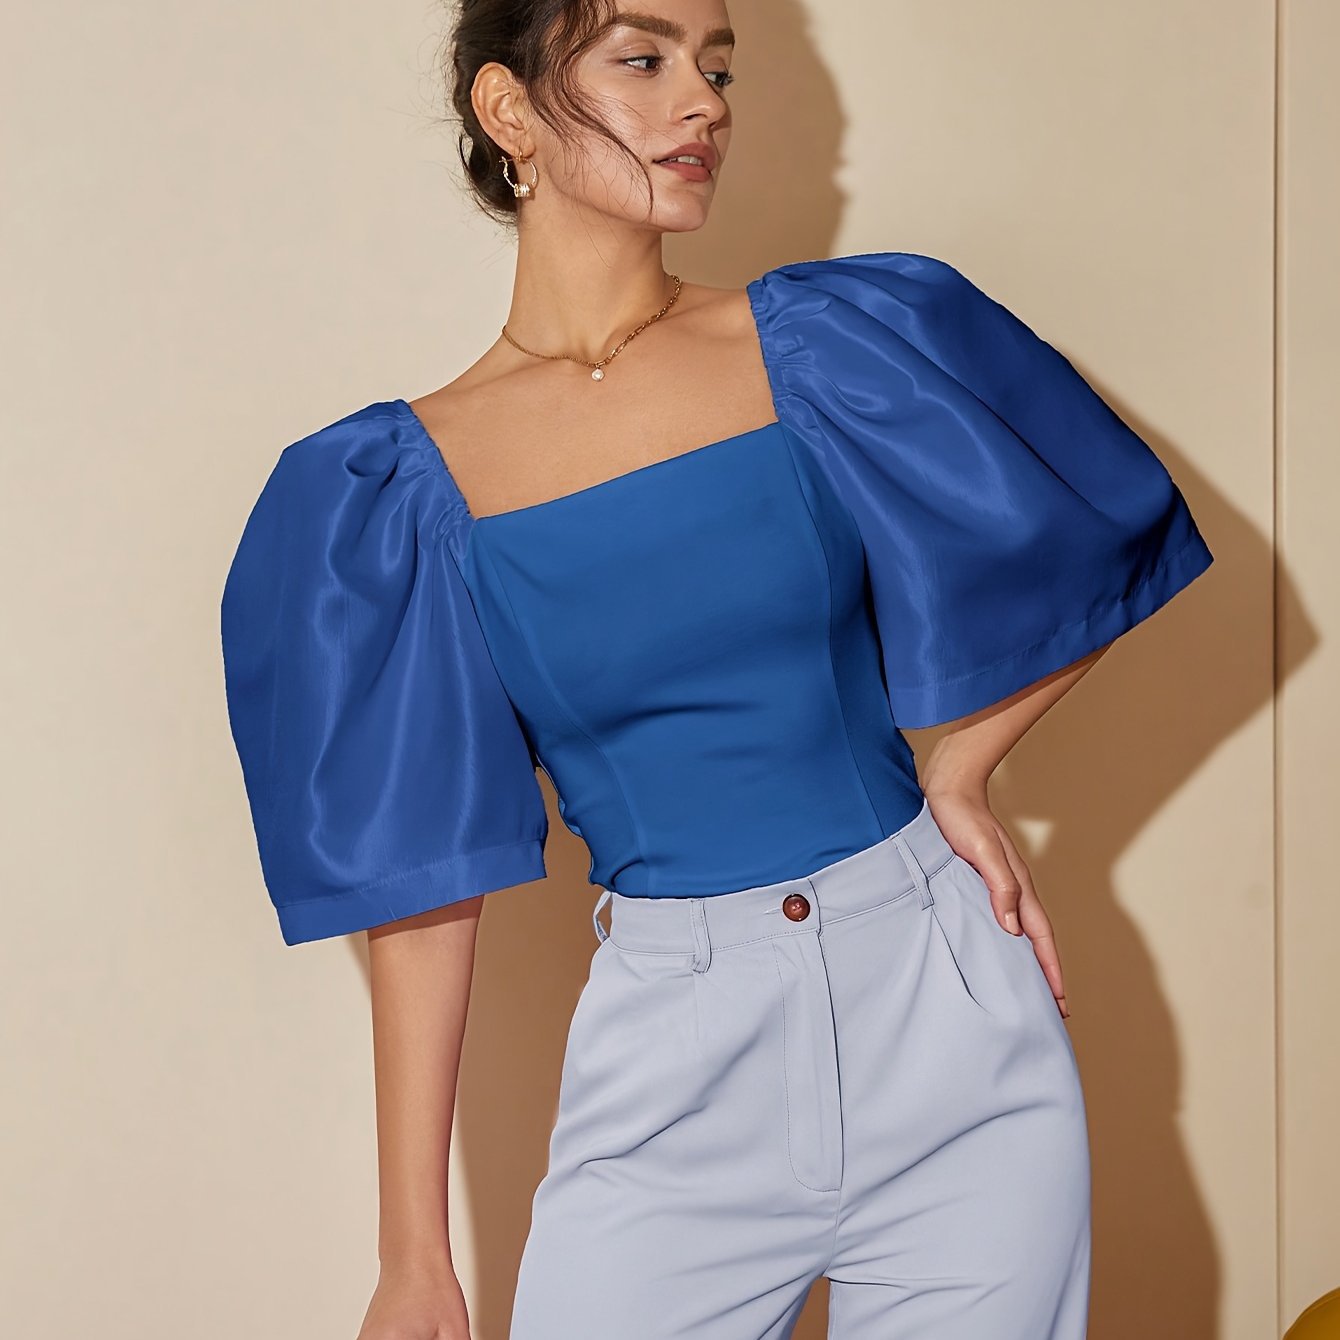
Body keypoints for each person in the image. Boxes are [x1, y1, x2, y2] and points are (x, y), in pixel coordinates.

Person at [219, 2, 1214, 1337]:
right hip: (675, 1054)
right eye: (645, 58)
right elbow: (419, 887)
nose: (704, 101)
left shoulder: (826, 346)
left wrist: (962, 772)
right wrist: (416, 1256)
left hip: (948, 1015)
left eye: (719, 65)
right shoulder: (400, 492)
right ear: (509, 112)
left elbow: (1095, 521)